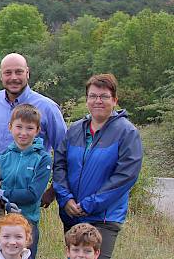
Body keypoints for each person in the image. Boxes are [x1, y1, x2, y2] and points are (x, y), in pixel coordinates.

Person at [53, 74, 143, 259]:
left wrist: (90, 204)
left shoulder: (127, 132)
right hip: (72, 214)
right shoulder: (75, 130)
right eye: (93, 96)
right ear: (87, 100)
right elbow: (59, 165)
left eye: (104, 96)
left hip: (104, 217)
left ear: (115, 100)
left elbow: (126, 176)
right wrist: (65, 199)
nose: (98, 101)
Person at [0, 53, 66, 159]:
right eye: (8, 73)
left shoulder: (48, 108)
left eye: (19, 72)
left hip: (32, 175)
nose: (14, 77)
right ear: (1, 75)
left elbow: (63, 149)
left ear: (27, 73)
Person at [0, 104, 51, 259]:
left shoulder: (42, 158)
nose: (23, 133)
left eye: (29, 128)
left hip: (27, 222)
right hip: (2, 222)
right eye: (18, 127)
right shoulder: (2, 156)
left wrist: (3, 193)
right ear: (10, 127)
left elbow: (32, 194)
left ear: (38, 130)